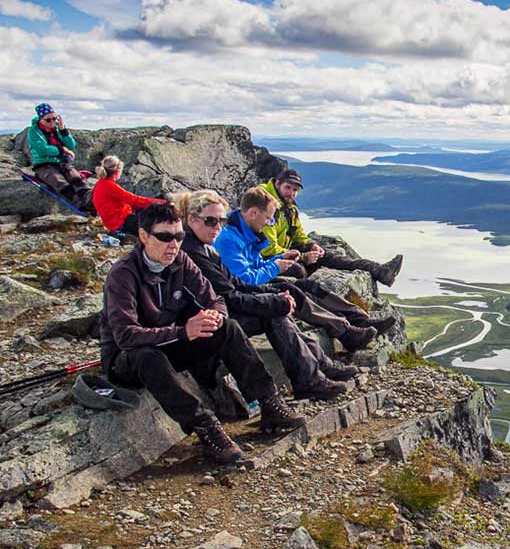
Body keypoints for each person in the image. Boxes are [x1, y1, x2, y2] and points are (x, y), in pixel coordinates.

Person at [100, 202, 306, 464]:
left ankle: (268, 401)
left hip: (171, 342)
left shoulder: (180, 261)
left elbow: (215, 299)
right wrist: (184, 331)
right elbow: (125, 336)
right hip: (126, 359)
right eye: (164, 237)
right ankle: (205, 428)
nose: (173, 245)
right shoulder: (123, 274)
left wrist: (214, 316)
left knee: (227, 327)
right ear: (143, 236)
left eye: (178, 236)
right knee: (146, 356)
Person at [176, 189, 357, 400]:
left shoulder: (204, 248)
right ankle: (309, 379)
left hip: (219, 318)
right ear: (191, 219)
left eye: (220, 221)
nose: (217, 227)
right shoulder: (193, 253)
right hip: (203, 329)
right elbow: (229, 297)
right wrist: (273, 301)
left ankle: (316, 370)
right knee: (273, 313)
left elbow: (237, 284)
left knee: (280, 300)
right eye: (210, 221)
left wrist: (273, 294)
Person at [214, 187, 394, 351]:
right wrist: (275, 267)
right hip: (242, 294)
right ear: (253, 212)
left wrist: (280, 258)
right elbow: (244, 279)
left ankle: (359, 319)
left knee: (308, 285)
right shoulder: (229, 239)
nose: (269, 223)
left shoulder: (245, 231)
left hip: (253, 284)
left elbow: (256, 264)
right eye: (268, 218)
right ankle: (345, 332)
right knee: (293, 289)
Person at [258, 168, 403, 284]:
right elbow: (268, 249)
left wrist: (311, 245)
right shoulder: (266, 205)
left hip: (285, 250)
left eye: (295, 190)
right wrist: (302, 257)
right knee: (299, 270)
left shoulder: (289, 206)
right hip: (267, 258)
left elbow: (298, 233)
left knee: (328, 256)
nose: (291, 193)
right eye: (288, 187)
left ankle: (380, 271)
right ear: (277, 184)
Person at [26, 103, 90, 210]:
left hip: (62, 162)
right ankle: (80, 204)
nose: (52, 122)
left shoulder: (57, 128)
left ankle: (90, 199)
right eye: (48, 120)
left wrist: (63, 130)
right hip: (43, 165)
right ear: (40, 119)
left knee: (76, 178)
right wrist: (61, 149)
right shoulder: (33, 131)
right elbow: (42, 150)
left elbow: (72, 145)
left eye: (54, 118)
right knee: (59, 182)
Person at [93, 155, 164, 236]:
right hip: (120, 223)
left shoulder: (101, 183)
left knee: (150, 208)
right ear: (118, 171)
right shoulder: (110, 186)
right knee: (157, 220)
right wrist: (162, 203)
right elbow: (134, 201)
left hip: (114, 222)